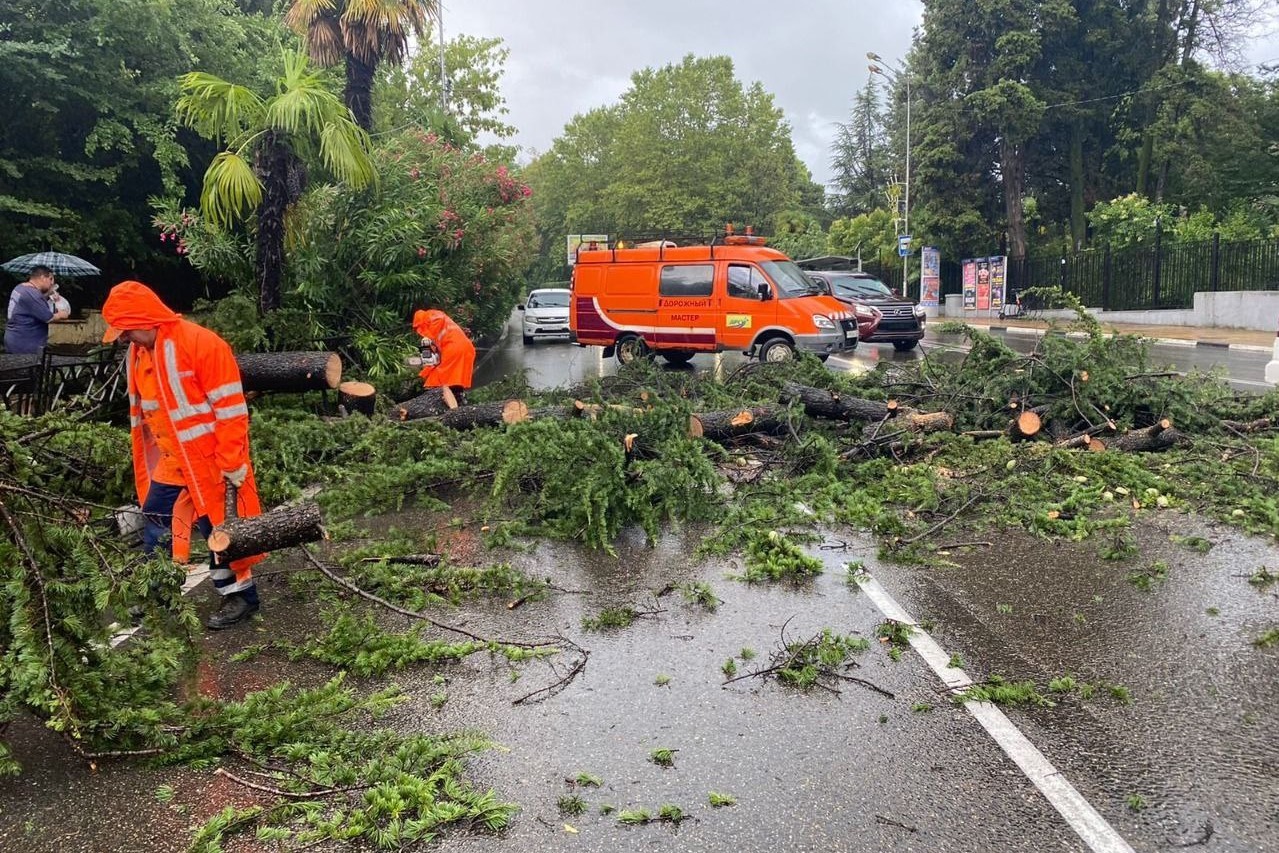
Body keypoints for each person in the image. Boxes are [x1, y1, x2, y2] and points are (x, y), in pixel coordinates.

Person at [102, 280, 265, 629]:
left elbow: (231, 408)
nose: (123, 339)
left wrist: (233, 461)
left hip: (211, 461)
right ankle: (156, 594)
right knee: (157, 524)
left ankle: (242, 597)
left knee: (220, 532)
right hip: (173, 461)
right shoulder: (140, 353)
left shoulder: (200, 344)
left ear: (144, 319)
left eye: (126, 331)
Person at [412, 309, 476, 399]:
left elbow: (430, 361)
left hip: (453, 349)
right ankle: (457, 399)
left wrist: (426, 369)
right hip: (468, 348)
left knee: (437, 380)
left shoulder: (427, 335)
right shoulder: (441, 318)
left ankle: (440, 401)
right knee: (456, 378)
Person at [4, 266, 70, 353]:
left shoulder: (21, 287)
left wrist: (47, 294)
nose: (52, 283)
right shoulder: (32, 294)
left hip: (15, 338)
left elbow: (33, 305)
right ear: (43, 278)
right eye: (51, 279)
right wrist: (62, 314)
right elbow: (49, 318)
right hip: (25, 344)